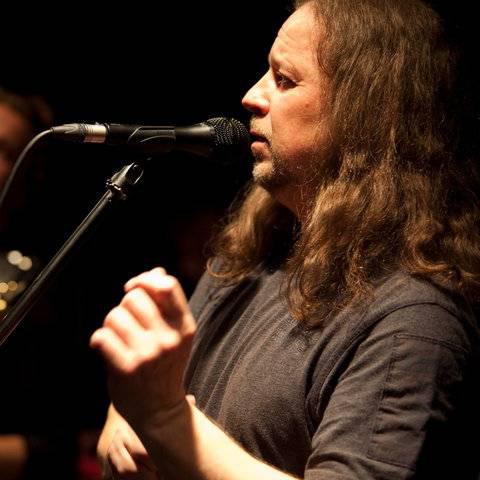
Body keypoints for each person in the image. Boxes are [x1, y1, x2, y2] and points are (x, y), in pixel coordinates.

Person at [91, 0, 480, 478]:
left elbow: (166, 411)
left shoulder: (414, 319)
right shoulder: (256, 249)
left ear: (364, 113)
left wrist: (165, 421)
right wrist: (123, 415)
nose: (251, 96)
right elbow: (155, 395)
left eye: (284, 79)